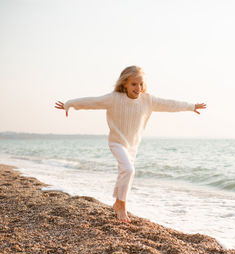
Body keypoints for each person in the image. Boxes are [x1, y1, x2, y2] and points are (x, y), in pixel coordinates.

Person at [55, 66, 206, 222]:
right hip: (117, 142)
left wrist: (191, 106)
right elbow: (92, 102)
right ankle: (122, 205)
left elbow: (170, 104)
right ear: (125, 83)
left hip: (133, 145)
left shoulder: (148, 100)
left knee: (124, 172)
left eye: (141, 84)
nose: (138, 88)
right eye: (134, 84)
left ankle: (117, 202)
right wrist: (70, 104)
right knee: (128, 169)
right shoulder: (114, 98)